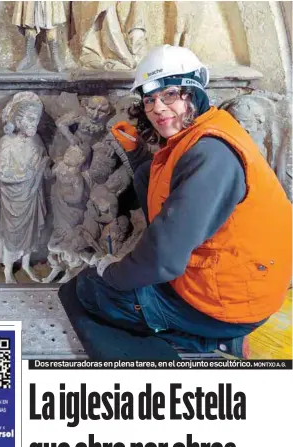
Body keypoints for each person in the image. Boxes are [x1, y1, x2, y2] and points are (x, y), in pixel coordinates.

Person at [59, 45, 292, 360]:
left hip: (231, 304)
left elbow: (162, 260)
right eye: (150, 99)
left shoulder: (210, 156)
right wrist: (136, 152)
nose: (157, 108)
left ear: (193, 94)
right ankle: (207, 339)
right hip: (238, 282)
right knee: (145, 175)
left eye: (170, 94)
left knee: (86, 291)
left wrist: (112, 272)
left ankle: (160, 375)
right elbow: (161, 189)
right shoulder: (208, 131)